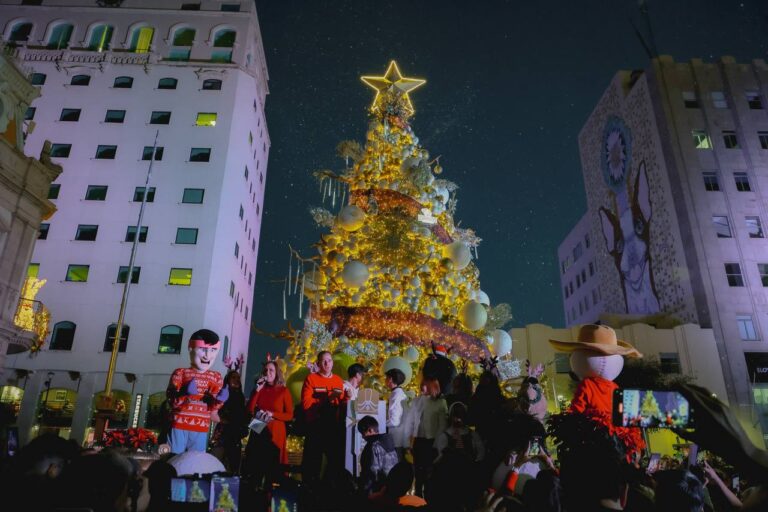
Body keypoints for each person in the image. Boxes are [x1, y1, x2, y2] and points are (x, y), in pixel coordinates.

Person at [166, 329, 228, 454]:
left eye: (213, 350)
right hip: (179, 424)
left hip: (201, 427)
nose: (207, 355)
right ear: (190, 348)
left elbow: (213, 409)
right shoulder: (181, 373)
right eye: (203, 349)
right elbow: (171, 401)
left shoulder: (215, 377)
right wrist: (184, 394)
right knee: (173, 458)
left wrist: (220, 400)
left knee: (196, 462)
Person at [301, 350, 348, 485]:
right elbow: (306, 403)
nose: (327, 363)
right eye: (324, 361)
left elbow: (341, 402)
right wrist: (325, 401)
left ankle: (328, 491)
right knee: (312, 462)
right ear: (318, 363)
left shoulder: (338, 380)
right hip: (316, 426)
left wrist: (347, 397)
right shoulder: (311, 379)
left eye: (330, 360)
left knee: (335, 461)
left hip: (333, 427)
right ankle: (310, 490)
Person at [245, 356, 293, 484]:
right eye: (266, 370)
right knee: (255, 465)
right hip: (258, 426)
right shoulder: (259, 388)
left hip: (275, 430)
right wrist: (257, 390)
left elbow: (289, 415)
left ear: (276, 372)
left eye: (271, 370)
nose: (268, 373)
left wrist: (273, 414)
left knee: (273, 467)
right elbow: (249, 410)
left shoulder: (283, 391)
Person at [406, 375, 447, 498]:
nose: (422, 387)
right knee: (418, 473)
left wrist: (437, 445)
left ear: (433, 387)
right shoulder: (417, 401)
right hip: (418, 440)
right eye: (421, 384)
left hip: (431, 442)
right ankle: (418, 498)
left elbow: (442, 426)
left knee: (429, 474)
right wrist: (409, 441)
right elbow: (411, 422)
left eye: (425, 384)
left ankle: (428, 501)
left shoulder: (440, 402)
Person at [210, 369, 248, 472]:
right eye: (233, 377)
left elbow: (244, 415)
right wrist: (222, 420)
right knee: (216, 461)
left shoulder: (240, 396)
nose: (236, 380)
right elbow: (215, 409)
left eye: (238, 378)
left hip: (235, 434)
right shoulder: (223, 394)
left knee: (233, 464)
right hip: (223, 433)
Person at [357, 415, 399, 495]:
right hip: (391, 490)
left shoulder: (372, 446)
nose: (363, 437)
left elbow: (371, 474)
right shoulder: (389, 442)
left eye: (363, 433)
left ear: (370, 430)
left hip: (377, 493)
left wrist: (362, 492)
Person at [385, 368, 409, 454]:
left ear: (390, 379)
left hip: (396, 437)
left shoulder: (396, 394)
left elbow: (394, 421)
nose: (385, 380)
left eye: (386, 378)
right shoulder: (398, 393)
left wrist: (381, 424)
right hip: (400, 436)